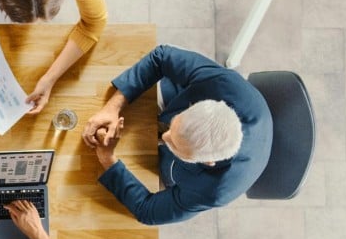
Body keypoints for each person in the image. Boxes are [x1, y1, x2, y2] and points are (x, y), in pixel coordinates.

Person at [82, 44, 272, 225]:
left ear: (207, 162)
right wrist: (113, 108)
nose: (163, 137)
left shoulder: (214, 191)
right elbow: (162, 56)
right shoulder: (225, 85)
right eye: (173, 126)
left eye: (174, 144)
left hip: (183, 174)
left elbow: (147, 211)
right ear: (203, 104)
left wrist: (107, 159)